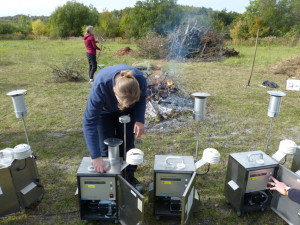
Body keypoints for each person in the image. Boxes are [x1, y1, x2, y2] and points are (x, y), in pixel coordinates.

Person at [82, 64, 147, 193]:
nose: (126, 106)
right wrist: (96, 157)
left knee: (127, 144)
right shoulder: (101, 86)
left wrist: (139, 119)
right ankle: (110, 181)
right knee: (106, 145)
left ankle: (129, 177)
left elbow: (143, 97)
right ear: (113, 90)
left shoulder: (139, 80)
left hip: (128, 115)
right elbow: (89, 123)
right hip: (104, 112)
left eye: (131, 102)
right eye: (124, 103)